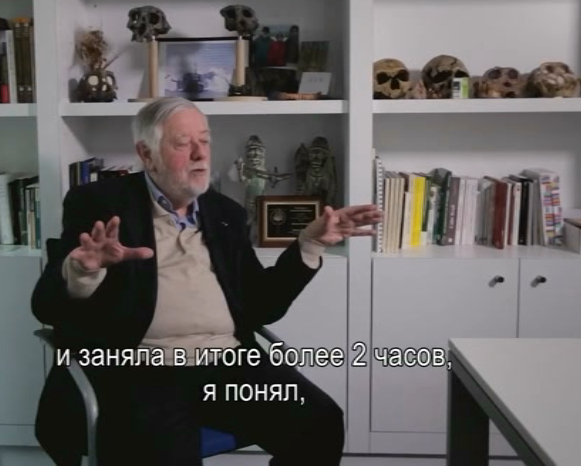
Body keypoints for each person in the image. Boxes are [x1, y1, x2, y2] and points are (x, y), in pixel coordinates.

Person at [31, 97, 381, 466]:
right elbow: (47, 307)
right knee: (167, 456)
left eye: (205, 140)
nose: (200, 154)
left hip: (228, 366)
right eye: (183, 144)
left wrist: (308, 245)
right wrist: (83, 272)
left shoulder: (224, 213)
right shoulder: (100, 205)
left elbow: (262, 306)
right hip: (142, 370)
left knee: (320, 423)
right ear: (147, 154)